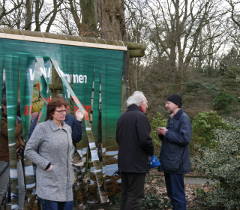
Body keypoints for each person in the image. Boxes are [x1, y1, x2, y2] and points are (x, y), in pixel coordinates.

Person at [25, 97, 75, 210]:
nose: (64, 113)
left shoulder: (67, 128)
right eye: (60, 111)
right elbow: (28, 150)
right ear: (52, 113)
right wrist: (46, 164)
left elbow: (69, 151)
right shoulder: (42, 128)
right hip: (49, 184)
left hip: (66, 185)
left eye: (65, 110)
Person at [116, 91, 154, 210]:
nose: (147, 106)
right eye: (146, 103)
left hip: (124, 163)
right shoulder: (140, 117)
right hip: (136, 164)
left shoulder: (122, 117)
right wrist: (151, 152)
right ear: (141, 104)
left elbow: (118, 139)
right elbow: (145, 140)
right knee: (135, 197)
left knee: (125, 195)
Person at [157, 94, 192, 210]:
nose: (165, 105)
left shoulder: (184, 118)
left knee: (177, 195)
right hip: (169, 162)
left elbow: (184, 139)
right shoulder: (172, 117)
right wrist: (162, 134)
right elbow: (172, 139)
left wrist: (167, 133)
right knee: (172, 194)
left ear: (176, 104)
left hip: (177, 164)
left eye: (168, 103)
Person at [0, 98, 25, 207]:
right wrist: (23, 122)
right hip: (4, 159)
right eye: (6, 106)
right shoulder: (1, 120)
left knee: (21, 188)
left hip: (16, 157)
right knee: (2, 190)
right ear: (3, 106)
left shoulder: (15, 119)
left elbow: (18, 138)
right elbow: (11, 133)